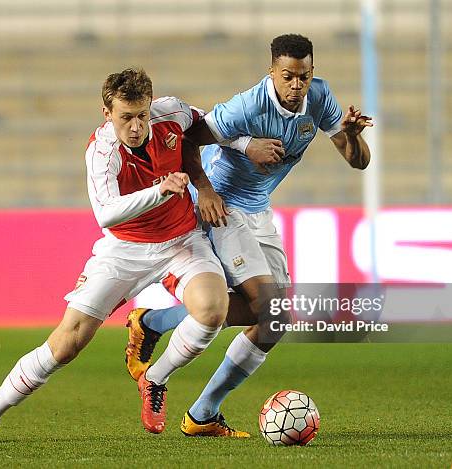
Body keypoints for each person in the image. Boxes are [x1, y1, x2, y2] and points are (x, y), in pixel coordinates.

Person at [0, 68, 231, 441]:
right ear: (107, 114)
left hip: (181, 240)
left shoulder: (174, 113)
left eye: (141, 115)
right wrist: (162, 190)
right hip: (124, 249)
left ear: (150, 106)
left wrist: (246, 147)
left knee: (213, 309)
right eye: (125, 118)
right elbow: (106, 212)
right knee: (66, 343)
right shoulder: (102, 150)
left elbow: (215, 125)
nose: (135, 126)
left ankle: (154, 379)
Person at [125, 34, 373, 437]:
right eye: (288, 76)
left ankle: (199, 406)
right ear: (272, 72)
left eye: (304, 77)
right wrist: (208, 185)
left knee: (276, 319)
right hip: (221, 204)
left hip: (258, 210)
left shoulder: (320, 97)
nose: (296, 86)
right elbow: (190, 138)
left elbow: (357, 162)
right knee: (268, 305)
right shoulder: (247, 106)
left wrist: (354, 134)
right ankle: (157, 376)